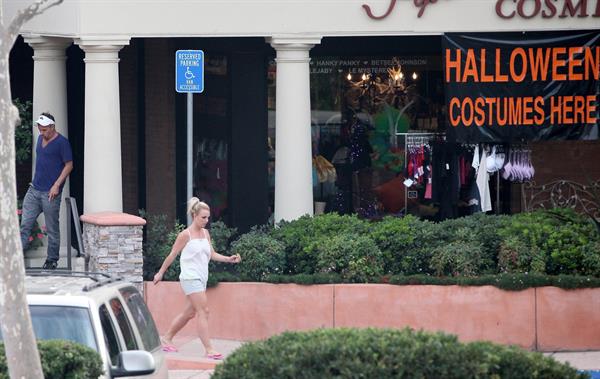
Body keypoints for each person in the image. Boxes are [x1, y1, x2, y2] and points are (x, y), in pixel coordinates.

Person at [153, 198, 241, 360]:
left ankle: (166, 338)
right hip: (190, 277)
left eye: (208, 218)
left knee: (190, 313)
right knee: (203, 311)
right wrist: (160, 273)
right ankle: (209, 349)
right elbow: (172, 255)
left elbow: (212, 254)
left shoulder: (206, 234)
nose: (206, 221)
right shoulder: (185, 235)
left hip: (202, 278)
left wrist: (229, 259)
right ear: (194, 215)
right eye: (203, 217)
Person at [20, 112, 73, 270]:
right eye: (40, 129)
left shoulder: (62, 143)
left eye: (44, 130)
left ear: (52, 127)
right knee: (25, 225)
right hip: (34, 190)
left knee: (52, 228)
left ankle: (52, 260)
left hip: (50, 193)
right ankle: (14, 259)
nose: (41, 133)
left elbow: (69, 165)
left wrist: (57, 184)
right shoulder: (39, 139)